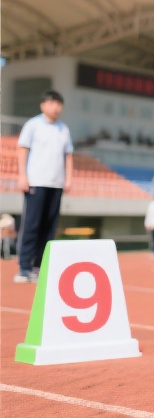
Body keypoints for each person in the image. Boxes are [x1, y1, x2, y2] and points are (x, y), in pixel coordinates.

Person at [15, 89, 73, 283]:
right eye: (52, 103)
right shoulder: (33, 125)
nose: (55, 107)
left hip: (56, 184)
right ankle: (24, 267)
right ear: (43, 105)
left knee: (49, 227)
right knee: (31, 225)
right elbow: (23, 149)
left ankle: (39, 267)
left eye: (59, 103)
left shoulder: (64, 129)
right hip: (36, 182)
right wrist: (22, 175)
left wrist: (69, 178)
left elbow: (68, 155)